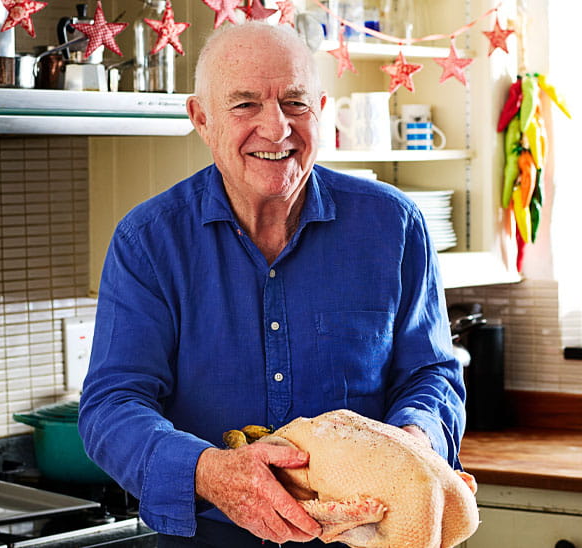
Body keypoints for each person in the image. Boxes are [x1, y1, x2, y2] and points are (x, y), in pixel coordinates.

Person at [78, 21, 466, 548]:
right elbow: (112, 406)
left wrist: (409, 446)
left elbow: (432, 375)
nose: (277, 128)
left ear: (321, 110)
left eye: (295, 103)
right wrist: (212, 472)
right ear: (202, 118)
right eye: (245, 105)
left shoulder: (394, 226)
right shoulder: (148, 241)